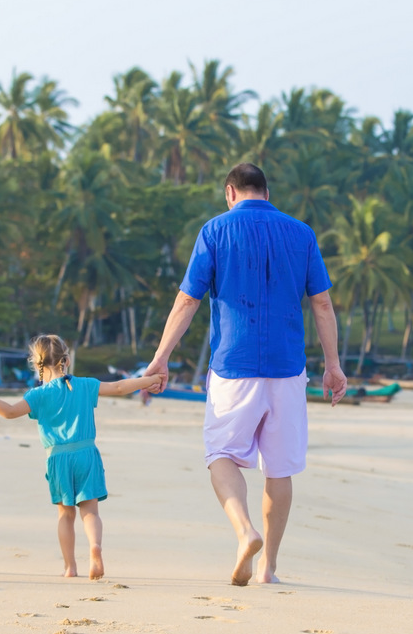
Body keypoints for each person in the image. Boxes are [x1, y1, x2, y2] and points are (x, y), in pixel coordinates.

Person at [142, 162, 346, 586]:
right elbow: (322, 305)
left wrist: (161, 358)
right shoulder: (302, 233)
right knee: (279, 469)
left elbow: (187, 301)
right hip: (288, 370)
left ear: (230, 193)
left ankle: (244, 531)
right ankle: (269, 568)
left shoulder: (215, 231)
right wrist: (333, 365)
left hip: (233, 369)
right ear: (266, 194)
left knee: (219, 455)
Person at [0, 334, 160, 580]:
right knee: (90, 511)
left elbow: (8, 412)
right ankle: (95, 548)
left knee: (65, 514)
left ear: (36, 364)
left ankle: (70, 567)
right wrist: (150, 380)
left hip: (58, 458)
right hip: (87, 454)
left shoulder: (37, 395)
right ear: (67, 360)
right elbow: (118, 387)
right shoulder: (84, 384)